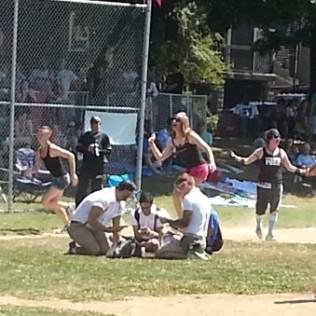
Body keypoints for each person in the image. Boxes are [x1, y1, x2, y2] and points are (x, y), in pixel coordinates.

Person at [231, 128, 308, 241]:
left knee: (274, 208)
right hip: (263, 184)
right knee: (261, 208)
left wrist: (301, 171)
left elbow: (289, 167)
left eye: (278, 138)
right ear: (269, 140)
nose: (277, 140)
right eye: (275, 138)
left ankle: (270, 233)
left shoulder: (281, 153)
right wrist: (235, 157)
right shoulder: (261, 151)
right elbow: (247, 161)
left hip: (277, 184)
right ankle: (258, 227)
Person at [148, 112, 216, 216]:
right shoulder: (172, 140)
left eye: (177, 120)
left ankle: (195, 216)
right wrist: (152, 144)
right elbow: (160, 157)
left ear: (183, 123)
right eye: (173, 120)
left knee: (186, 193)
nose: (174, 122)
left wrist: (212, 162)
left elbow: (207, 148)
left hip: (200, 168)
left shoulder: (190, 135)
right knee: (176, 194)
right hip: (189, 171)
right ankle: (181, 218)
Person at [67, 180, 136, 256]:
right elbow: (91, 220)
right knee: (95, 250)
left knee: (105, 250)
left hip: (95, 227)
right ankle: (74, 249)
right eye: (130, 193)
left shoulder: (120, 203)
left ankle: (85, 244)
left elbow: (116, 224)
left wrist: (116, 241)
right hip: (79, 225)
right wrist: (107, 229)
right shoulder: (105, 198)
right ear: (125, 191)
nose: (130, 196)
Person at [30, 125, 78, 227]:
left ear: (47, 136)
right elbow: (37, 167)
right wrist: (28, 171)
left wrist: (73, 174)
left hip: (62, 179)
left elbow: (71, 156)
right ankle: (68, 225)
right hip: (56, 179)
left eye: (42, 134)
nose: (39, 136)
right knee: (55, 205)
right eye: (39, 134)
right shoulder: (39, 151)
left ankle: (69, 206)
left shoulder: (52, 149)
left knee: (45, 202)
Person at [155, 173, 211, 260]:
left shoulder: (188, 199)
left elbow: (184, 223)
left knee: (160, 252)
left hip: (191, 240)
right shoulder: (205, 198)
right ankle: (197, 252)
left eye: (179, 188)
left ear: (185, 185)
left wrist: (168, 221)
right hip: (202, 239)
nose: (179, 192)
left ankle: (191, 254)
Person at [75, 116, 112, 206]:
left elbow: (108, 150)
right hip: (86, 165)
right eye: (94, 124)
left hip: (98, 166)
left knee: (97, 187)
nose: (96, 126)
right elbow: (78, 148)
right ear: (91, 125)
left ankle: (96, 206)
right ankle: (79, 205)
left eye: (97, 124)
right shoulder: (85, 136)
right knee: (83, 187)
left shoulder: (104, 137)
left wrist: (98, 150)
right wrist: (87, 148)